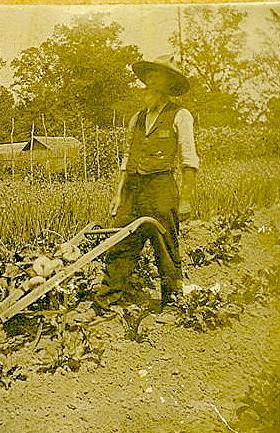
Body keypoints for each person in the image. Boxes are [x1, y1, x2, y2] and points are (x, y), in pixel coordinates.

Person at [102, 54, 199, 310]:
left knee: (165, 246)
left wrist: (185, 199)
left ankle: (172, 301)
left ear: (168, 86)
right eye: (148, 79)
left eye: (156, 79)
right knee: (121, 241)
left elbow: (189, 160)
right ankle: (110, 298)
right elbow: (126, 158)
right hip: (133, 188)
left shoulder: (180, 115)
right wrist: (117, 195)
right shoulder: (137, 119)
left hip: (161, 188)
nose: (149, 85)